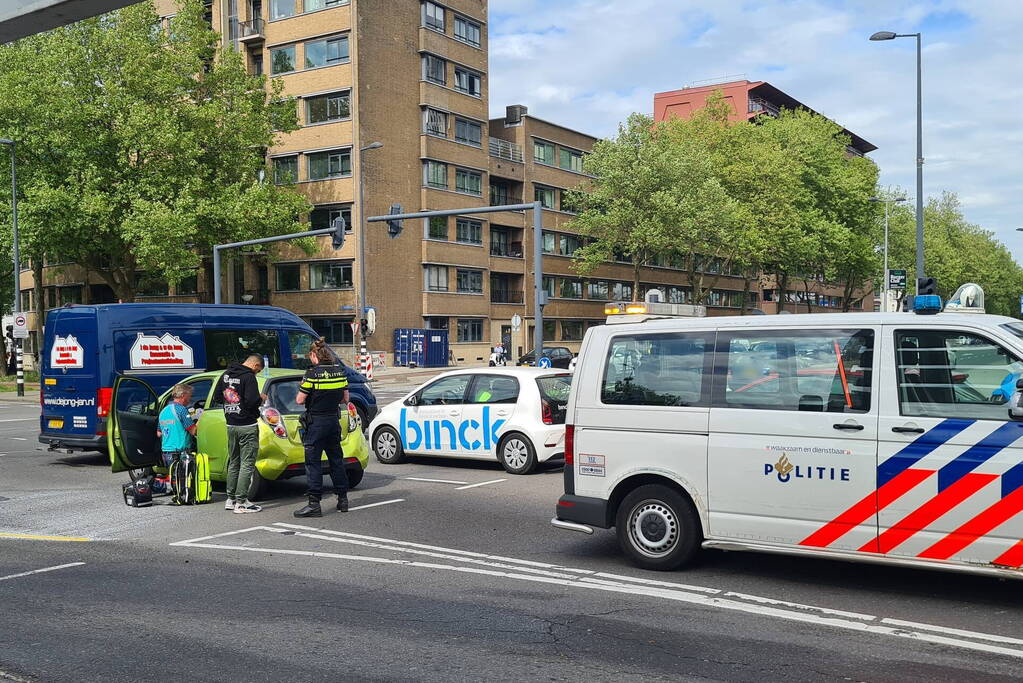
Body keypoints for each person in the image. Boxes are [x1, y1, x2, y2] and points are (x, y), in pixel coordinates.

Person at [293, 338, 350, 518]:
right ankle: (342, 500)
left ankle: (314, 504)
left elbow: (299, 400)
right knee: (336, 461)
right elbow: (345, 399)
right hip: (333, 421)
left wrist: (303, 388)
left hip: (316, 422)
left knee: (313, 463)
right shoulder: (339, 372)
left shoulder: (311, 374)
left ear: (313, 355)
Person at [216, 354, 266, 514]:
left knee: (234, 462)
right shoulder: (248, 377)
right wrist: (261, 399)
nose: (257, 373)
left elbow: (218, 396)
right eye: (258, 370)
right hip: (247, 425)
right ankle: (242, 502)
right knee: (247, 463)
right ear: (255, 365)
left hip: (231, 424)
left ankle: (230, 499)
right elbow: (252, 401)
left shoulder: (225, 374)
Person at [157, 384, 198, 470]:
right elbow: (193, 431)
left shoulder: (163, 411)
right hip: (180, 453)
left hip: (166, 453)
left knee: (174, 480)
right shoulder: (181, 410)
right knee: (184, 481)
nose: (190, 399)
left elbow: (159, 433)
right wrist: (201, 419)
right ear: (183, 395)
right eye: (189, 396)